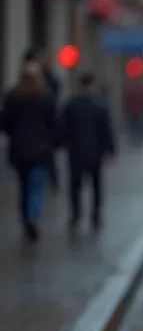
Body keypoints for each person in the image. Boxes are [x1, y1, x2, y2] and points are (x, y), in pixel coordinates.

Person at [2, 64, 60, 241]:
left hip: (20, 150)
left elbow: (5, 122)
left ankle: (26, 218)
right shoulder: (46, 98)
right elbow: (54, 123)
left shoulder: (14, 97)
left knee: (24, 187)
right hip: (41, 150)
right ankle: (32, 216)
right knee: (36, 186)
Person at [61, 71, 116, 232]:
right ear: (92, 85)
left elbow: (63, 128)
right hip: (95, 151)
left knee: (75, 186)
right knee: (96, 186)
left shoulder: (71, 104)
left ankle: (76, 215)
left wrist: (64, 143)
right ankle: (95, 216)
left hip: (75, 151)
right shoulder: (100, 104)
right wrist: (110, 149)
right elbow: (106, 129)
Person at [24, 46, 62, 189]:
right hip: (31, 140)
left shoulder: (49, 88)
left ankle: (52, 179)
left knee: (33, 183)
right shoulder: (18, 95)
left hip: (41, 138)